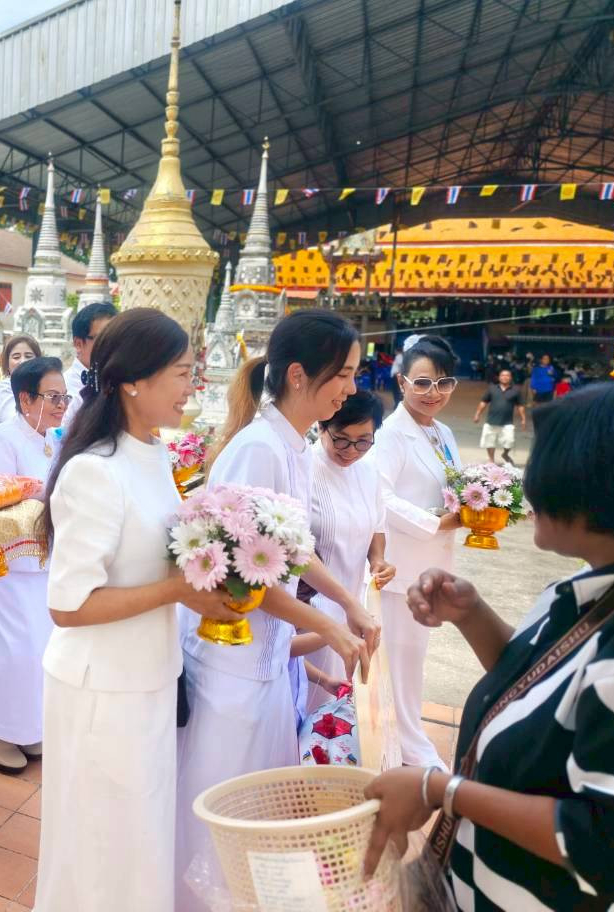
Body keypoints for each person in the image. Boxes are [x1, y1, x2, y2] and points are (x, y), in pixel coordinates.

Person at [364, 381, 614, 910]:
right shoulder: (584, 588)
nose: (531, 495)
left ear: (600, 493)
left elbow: (611, 845)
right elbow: (538, 681)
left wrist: (440, 790)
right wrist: (472, 616)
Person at [35, 309, 236, 912]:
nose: (192, 386)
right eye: (182, 373)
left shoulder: (153, 453)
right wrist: (178, 591)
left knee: (139, 842)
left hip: (147, 676)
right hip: (102, 688)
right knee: (101, 850)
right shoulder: (94, 472)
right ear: (133, 381)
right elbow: (68, 605)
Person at [175, 310, 376, 909]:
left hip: (263, 659)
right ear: (297, 375)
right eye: (343, 374)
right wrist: (328, 625)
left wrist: (348, 602)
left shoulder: (294, 445)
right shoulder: (258, 449)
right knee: (218, 800)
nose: (350, 389)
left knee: (254, 800)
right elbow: (241, 577)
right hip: (229, 658)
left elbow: (292, 549)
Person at [369, 334, 463, 769]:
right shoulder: (391, 435)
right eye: (423, 383)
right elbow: (380, 497)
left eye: (443, 383)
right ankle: (407, 747)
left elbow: (457, 487)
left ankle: (410, 738)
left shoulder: (443, 433)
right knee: (399, 660)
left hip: (432, 564)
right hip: (400, 567)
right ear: (402, 382)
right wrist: (436, 522)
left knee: (414, 657)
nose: (433, 393)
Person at [0, 355, 66, 773]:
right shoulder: (2, 440)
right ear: (26, 399)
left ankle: (26, 727)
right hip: (10, 564)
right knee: (16, 651)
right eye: (53, 397)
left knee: (41, 649)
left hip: (46, 562)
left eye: (64, 397)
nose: (61, 405)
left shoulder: (53, 439)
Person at [305, 390, 395, 707]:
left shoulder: (368, 470)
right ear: (321, 427)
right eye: (341, 440)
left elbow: (376, 524)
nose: (352, 451)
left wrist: (378, 560)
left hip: (355, 607)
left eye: (363, 441)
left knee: (343, 704)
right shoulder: (304, 469)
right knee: (308, 702)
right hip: (310, 610)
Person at [61, 301, 116, 430]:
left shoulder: (123, 381)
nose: (112, 345)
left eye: (116, 338)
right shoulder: (62, 388)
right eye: (103, 339)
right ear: (78, 344)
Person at [473, 367, 526, 466]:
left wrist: (523, 419)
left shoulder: (516, 390)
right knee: (489, 441)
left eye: (507, 375)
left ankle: (505, 454)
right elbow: (483, 402)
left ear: (511, 377)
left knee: (509, 441)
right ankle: (491, 460)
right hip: (491, 421)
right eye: (502, 375)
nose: (505, 377)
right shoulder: (492, 388)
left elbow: (520, 406)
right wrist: (477, 414)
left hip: (507, 422)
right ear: (499, 377)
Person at [0, 334, 42, 426]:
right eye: (16, 357)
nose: (23, 361)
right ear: (7, 364)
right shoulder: (3, 389)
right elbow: (17, 423)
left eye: (28, 356)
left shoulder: (42, 387)